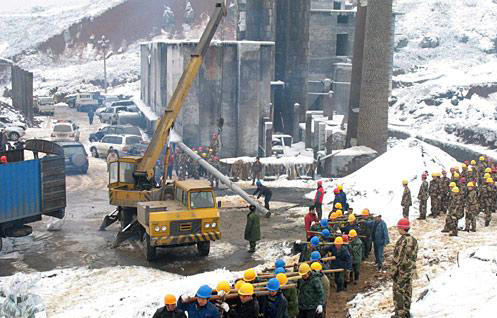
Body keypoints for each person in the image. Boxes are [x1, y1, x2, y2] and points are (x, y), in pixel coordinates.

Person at [392, 218, 418, 318]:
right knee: (407, 290)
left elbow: (399, 258)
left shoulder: (402, 241)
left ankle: (400, 314)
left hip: (401, 271)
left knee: (398, 292)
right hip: (410, 270)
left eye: (398, 228)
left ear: (401, 228)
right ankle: (406, 311)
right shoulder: (414, 240)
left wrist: (394, 272)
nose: (398, 229)